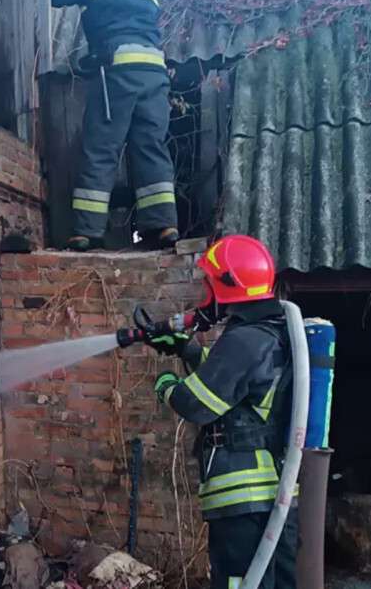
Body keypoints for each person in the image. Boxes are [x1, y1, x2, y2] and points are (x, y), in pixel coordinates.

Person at [146, 235, 299, 588]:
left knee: (239, 582)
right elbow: (239, 387)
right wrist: (187, 349)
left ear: (227, 286)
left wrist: (167, 385)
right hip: (275, 492)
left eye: (208, 284)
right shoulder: (272, 331)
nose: (205, 293)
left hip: (243, 493)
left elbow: (195, 404)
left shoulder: (243, 340)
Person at [49, 0, 179, 251]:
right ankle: (163, 225)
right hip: (155, 73)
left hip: (119, 70)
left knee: (102, 147)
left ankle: (87, 231)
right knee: (150, 147)